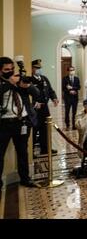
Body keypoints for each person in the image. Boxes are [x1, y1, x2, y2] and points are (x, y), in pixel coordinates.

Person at [0, 57, 39, 188]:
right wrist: (10, 83)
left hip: (22, 122)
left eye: (12, 69)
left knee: (23, 152)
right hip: (4, 124)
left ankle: (25, 178)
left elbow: (36, 93)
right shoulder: (3, 83)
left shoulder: (18, 80)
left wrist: (27, 85)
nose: (10, 72)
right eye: (6, 70)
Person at [30, 59, 59, 155]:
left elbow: (50, 90)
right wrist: (34, 103)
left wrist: (54, 98)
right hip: (35, 109)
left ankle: (45, 149)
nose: (39, 70)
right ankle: (31, 152)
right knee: (34, 130)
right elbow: (28, 95)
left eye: (40, 68)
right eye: (37, 68)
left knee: (45, 129)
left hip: (44, 108)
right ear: (32, 68)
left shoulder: (44, 78)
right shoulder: (29, 80)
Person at [62, 66, 80, 131]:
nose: (72, 71)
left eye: (73, 70)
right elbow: (63, 88)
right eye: (70, 70)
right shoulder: (65, 79)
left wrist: (72, 88)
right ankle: (67, 125)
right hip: (67, 98)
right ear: (68, 71)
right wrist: (69, 91)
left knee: (74, 112)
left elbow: (78, 87)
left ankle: (74, 125)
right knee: (67, 112)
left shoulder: (77, 78)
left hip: (75, 98)